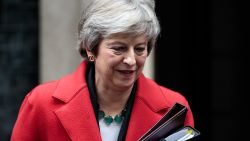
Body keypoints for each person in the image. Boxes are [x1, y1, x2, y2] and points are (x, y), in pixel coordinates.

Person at [11, 0, 194, 140]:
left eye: (139, 49)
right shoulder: (40, 103)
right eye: (119, 48)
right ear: (91, 49)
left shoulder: (174, 108)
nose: (131, 60)